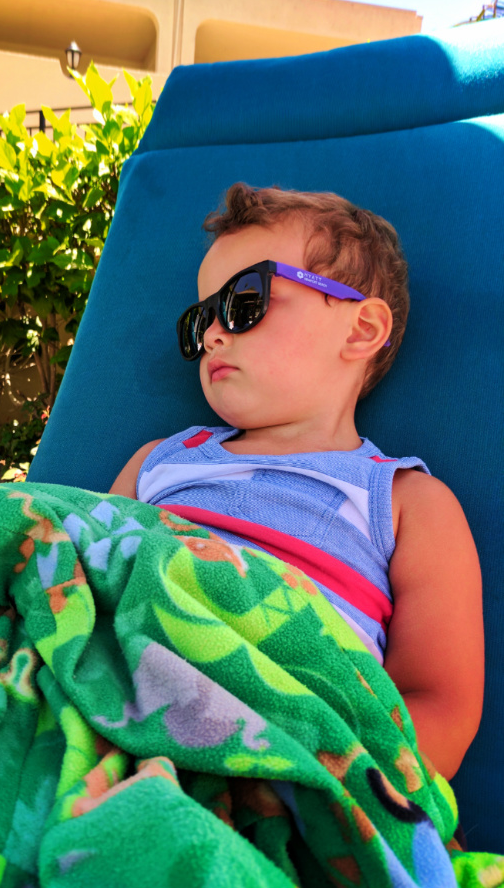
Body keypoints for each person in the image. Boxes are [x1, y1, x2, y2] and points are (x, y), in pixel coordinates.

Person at [109, 182, 483, 782]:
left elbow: (440, 705)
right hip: (113, 702)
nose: (212, 334)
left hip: (290, 758)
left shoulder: (406, 503)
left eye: (245, 301)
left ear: (360, 330)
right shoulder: (159, 461)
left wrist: (326, 781)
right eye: (200, 319)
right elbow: (77, 560)